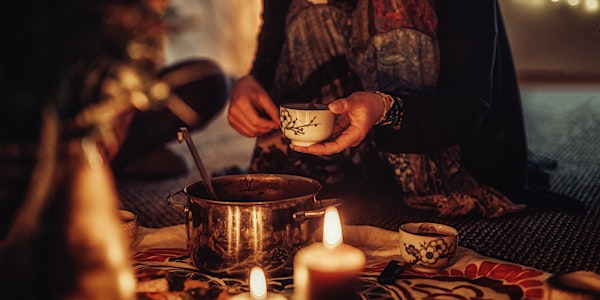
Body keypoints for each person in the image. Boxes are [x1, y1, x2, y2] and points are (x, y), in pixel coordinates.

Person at [227, 0, 585, 217]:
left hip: (440, 154)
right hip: (336, 160)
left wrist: (387, 110)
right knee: (308, 8)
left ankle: (402, 173)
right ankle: (338, 168)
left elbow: (470, 103)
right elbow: (275, 28)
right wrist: (252, 79)